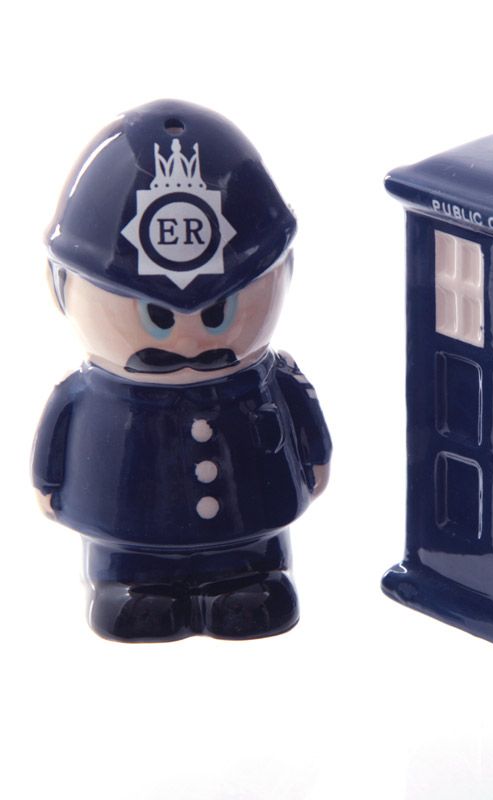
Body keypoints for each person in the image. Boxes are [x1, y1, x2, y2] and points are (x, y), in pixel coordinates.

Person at [32, 99, 331, 642]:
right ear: (61, 288)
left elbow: (308, 428)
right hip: (128, 544)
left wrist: (315, 457)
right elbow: (55, 449)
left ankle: (250, 581)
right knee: (138, 596)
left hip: (251, 538)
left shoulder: (270, 379)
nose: (189, 342)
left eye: (218, 312)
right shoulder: (86, 395)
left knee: (251, 590)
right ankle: (132, 588)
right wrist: (49, 482)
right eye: (157, 315)